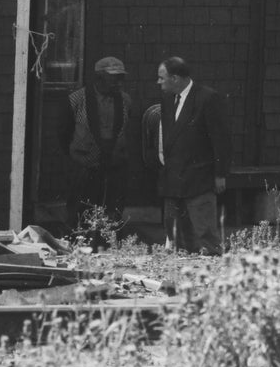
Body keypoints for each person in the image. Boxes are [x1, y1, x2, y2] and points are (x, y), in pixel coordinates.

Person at [156, 56, 232, 255]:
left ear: (175, 78)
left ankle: (213, 268)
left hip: (199, 176)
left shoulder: (207, 98)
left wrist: (220, 174)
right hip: (174, 175)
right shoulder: (166, 100)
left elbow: (221, 139)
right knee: (176, 233)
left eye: (162, 78)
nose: (159, 82)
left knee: (204, 232)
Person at [60, 56, 137, 228]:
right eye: (113, 77)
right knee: (81, 212)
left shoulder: (125, 100)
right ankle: (79, 247)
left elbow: (126, 130)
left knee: (112, 212)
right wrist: (79, 155)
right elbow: (63, 135)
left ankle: (108, 248)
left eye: (120, 77)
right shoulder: (76, 100)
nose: (117, 81)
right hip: (84, 166)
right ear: (99, 77)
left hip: (115, 165)